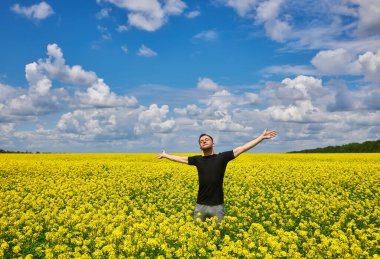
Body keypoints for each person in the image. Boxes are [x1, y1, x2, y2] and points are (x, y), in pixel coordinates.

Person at [156, 129, 277, 226]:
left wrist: (261, 137)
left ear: (213, 143)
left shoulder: (222, 157)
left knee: (217, 239)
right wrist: (166, 155)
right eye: (201, 141)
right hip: (200, 205)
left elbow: (243, 148)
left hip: (217, 206)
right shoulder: (197, 160)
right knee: (198, 236)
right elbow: (181, 159)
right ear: (200, 146)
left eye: (206, 139)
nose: (203, 141)